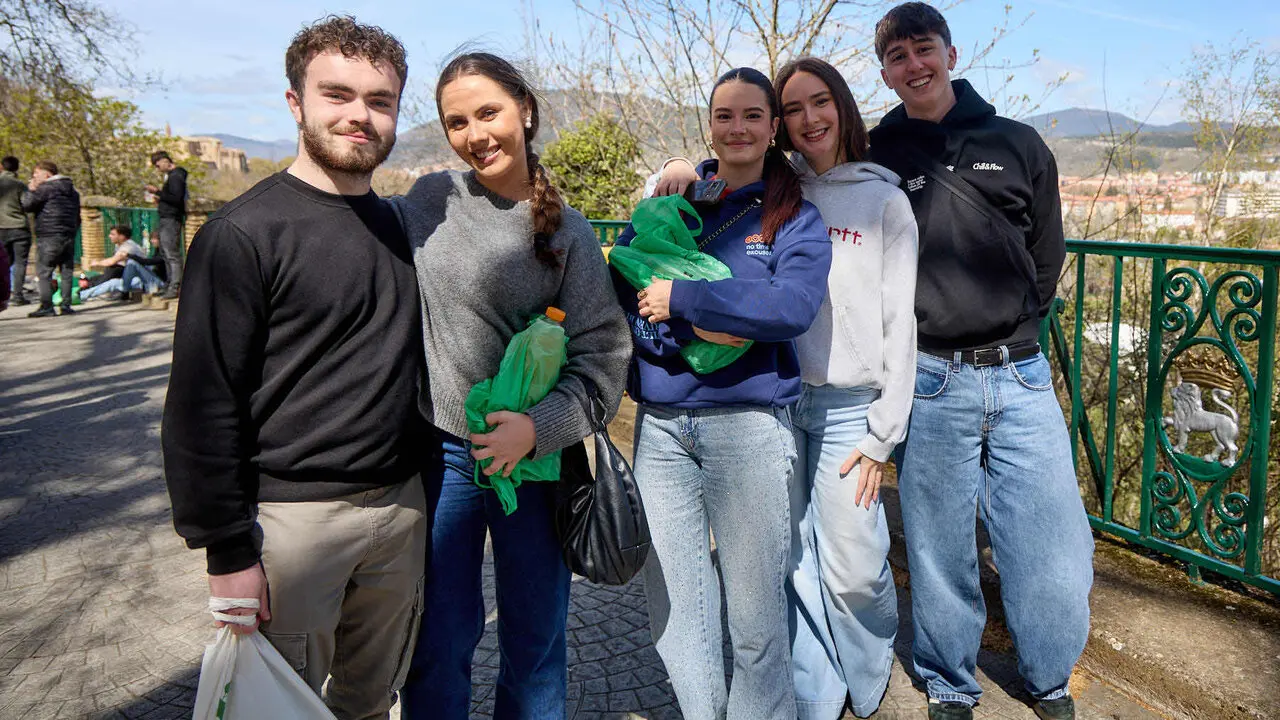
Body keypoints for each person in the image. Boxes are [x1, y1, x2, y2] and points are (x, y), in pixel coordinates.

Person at [161, 16, 432, 719]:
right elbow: (201, 403)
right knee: (273, 708)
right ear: (294, 103)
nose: (359, 116)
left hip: (399, 511)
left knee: (370, 705)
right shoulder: (242, 235)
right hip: (290, 524)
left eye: (380, 101)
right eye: (337, 94)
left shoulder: (402, 227)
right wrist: (226, 550)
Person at [651, 57, 919, 719]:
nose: (808, 119)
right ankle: (816, 691)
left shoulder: (883, 199)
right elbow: (716, 170)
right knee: (792, 557)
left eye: (819, 102)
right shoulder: (779, 184)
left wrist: (887, 432)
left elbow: (899, 319)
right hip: (777, 396)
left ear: (843, 107)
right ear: (781, 126)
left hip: (852, 403)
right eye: (794, 109)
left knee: (853, 561)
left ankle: (868, 669)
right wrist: (674, 171)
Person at [868, 4, 1094, 720]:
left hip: (1021, 374)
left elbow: (1048, 255)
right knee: (938, 549)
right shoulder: (878, 152)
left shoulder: (1018, 142)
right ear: (885, 72)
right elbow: (802, 171)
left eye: (922, 48)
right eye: (897, 56)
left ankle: (1050, 678)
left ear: (951, 53)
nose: (913, 64)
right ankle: (949, 684)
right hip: (931, 378)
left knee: (1053, 546)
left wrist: (1018, 326)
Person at [394, 52, 631, 720]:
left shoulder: (570, 231)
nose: (476, 133)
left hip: (536, 466)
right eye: (457, 122)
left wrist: (539, 428)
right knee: (439, 639)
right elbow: (348, 230)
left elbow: (604, 354)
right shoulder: (428, 202)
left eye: (488, 112)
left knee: (535, 640)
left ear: (524, 110)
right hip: (445, 454)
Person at [615, 67, 831, 719]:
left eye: (752, 116)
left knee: (757, 618)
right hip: (662, 430)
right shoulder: (672, 201)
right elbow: (625, 291)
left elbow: (790, 306)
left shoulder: (793, 215)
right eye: (723, 115)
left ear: (772, 128)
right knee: (677, 614)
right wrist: (685, 336)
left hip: (749, 428)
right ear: (709, 122)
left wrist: (685, 298)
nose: (737, 128)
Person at [21, 161, 80, 318]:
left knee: (44, 271)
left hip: (48, 236)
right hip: (69, 235)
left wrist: (31, 190)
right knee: (66, 271)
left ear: (47, 174)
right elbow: (78, 216)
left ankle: (47, 306)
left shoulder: (45, 188)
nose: (34, 177)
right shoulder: (73, 191)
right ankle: (66, 305)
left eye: (36, 174)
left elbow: (27, 205)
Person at [146, 150, 187, 299]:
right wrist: (161, 199)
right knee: (165, 252)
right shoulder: (172, 176)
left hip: (171, 219)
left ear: (165, 161)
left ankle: (174, 287)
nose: (158, 169)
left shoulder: (176, 176)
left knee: (172, 254)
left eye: (158, 165)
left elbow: (176, 198)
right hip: (167, 217)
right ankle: (169, 284)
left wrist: (158, 192)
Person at [1, 156, 31, 306]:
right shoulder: (19, 185)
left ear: (2, 167)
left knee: (3, 263)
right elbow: (27, 204)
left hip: (1, 228)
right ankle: (17, 296)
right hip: (19, 227)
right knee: (20, 263)